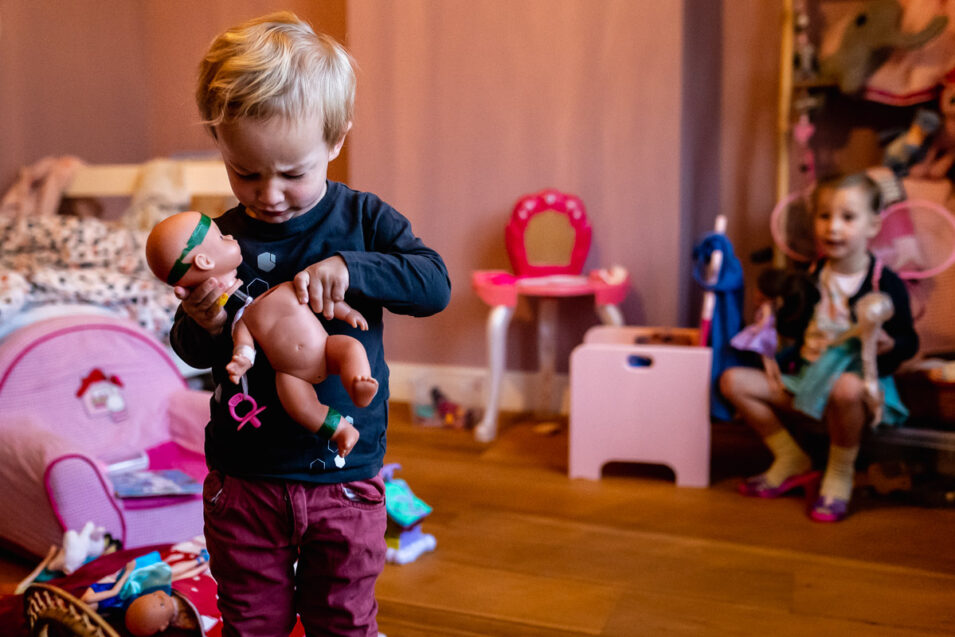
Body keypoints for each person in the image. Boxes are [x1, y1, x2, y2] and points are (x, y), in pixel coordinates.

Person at [170, 12, 450, 636]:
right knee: (251, 622)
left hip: (342, 474)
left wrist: (355, 268)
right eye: (246, 172)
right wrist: (202, 318)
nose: (269, 194)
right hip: (245, 476)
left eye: (293, 174)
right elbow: (190, 350)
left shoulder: (364, 221)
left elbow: (434, 285)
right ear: (221, 144)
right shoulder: (221, 241)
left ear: (335, 141)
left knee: (343, 619)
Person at [720, 172, 918, 523]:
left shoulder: (883, 282)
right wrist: (773, 310)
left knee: (846, 387)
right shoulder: (811, 275)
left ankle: (839, 472)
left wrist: (889, 345)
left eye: (848, 217)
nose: (833, 228)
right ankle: (791, 457)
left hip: (855, 393)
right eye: (825, 216)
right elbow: (794, 330)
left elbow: (909, 341)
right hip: (807, 383)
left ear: (873, 225)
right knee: (733, 381)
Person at [146, 211, 377, 457]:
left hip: (326, 346)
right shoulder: (243, 321)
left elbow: (318, 298)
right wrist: (241, 362)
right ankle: (341, 430)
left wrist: (347, 312)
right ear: (204, 262)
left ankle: (358, 382)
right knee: (300, 406)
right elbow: (245, 347)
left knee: (351, 348)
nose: (230, 236)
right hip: (290, 375)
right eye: (222, 238)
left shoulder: (289, 286)